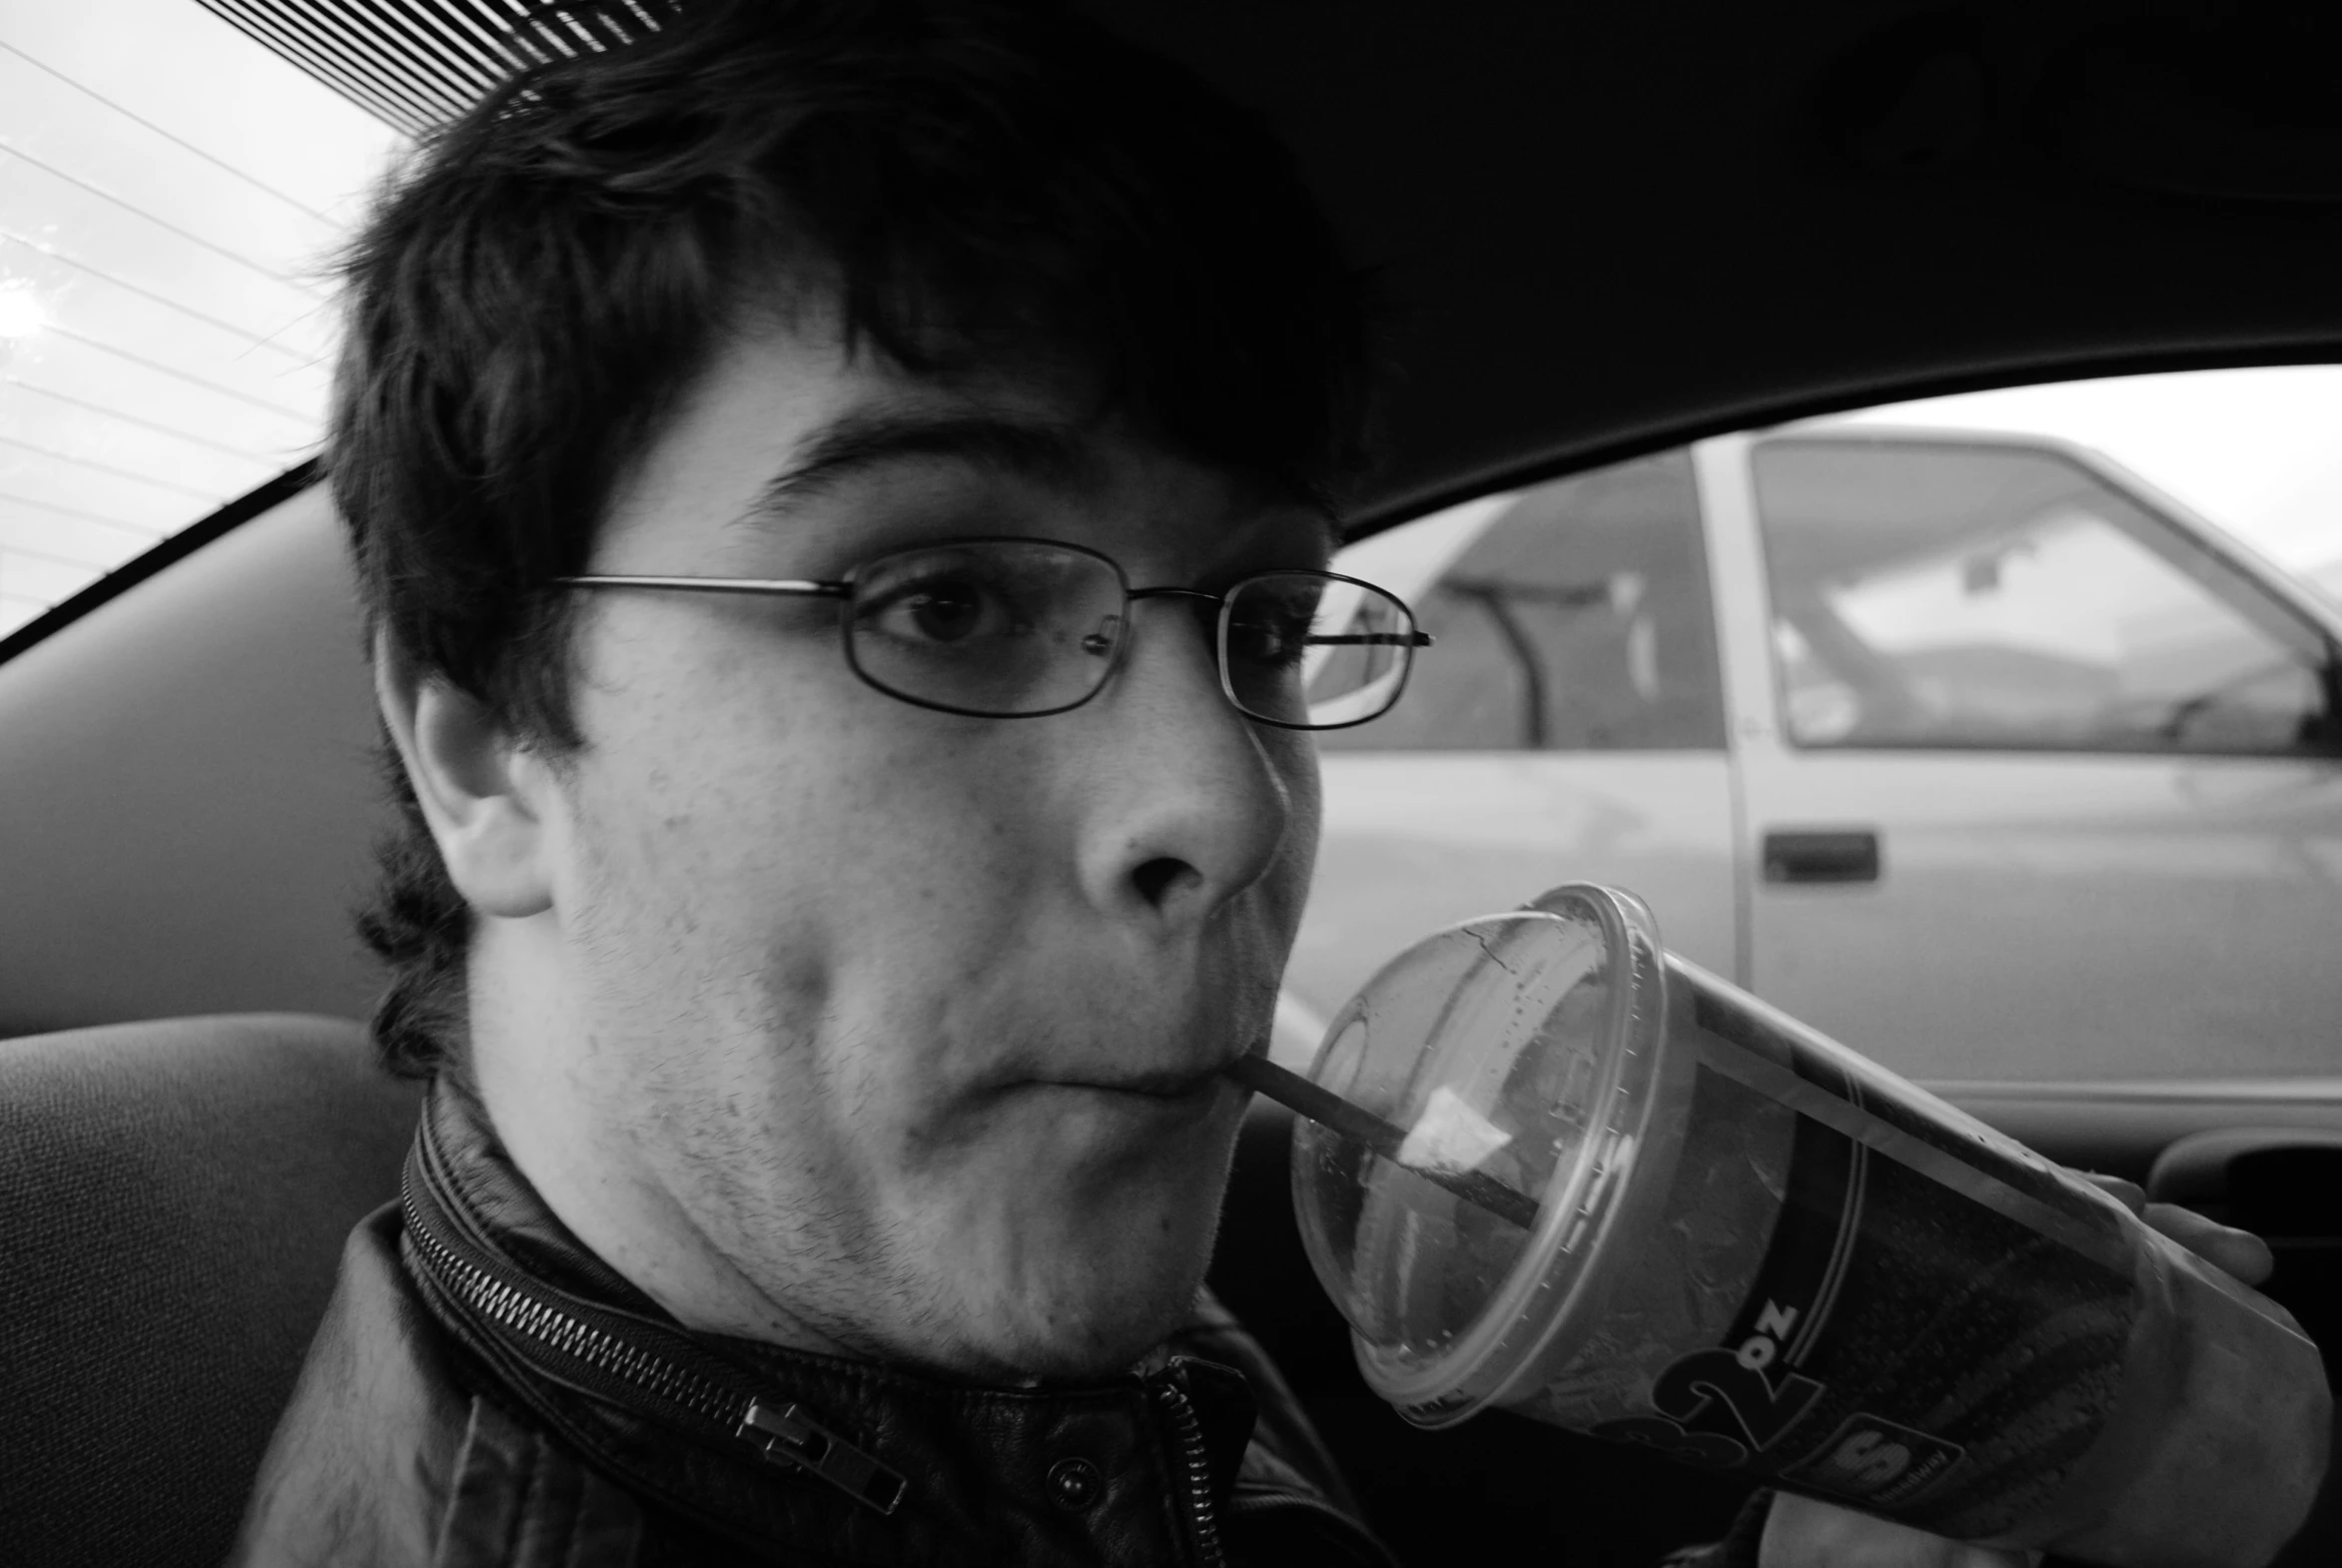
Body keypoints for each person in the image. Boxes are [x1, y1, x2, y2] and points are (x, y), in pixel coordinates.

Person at [228, 3, 2294, 1565]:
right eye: (944, 597)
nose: (1223, 804)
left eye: (1261, 621)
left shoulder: (934, 1303)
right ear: (487, 744)